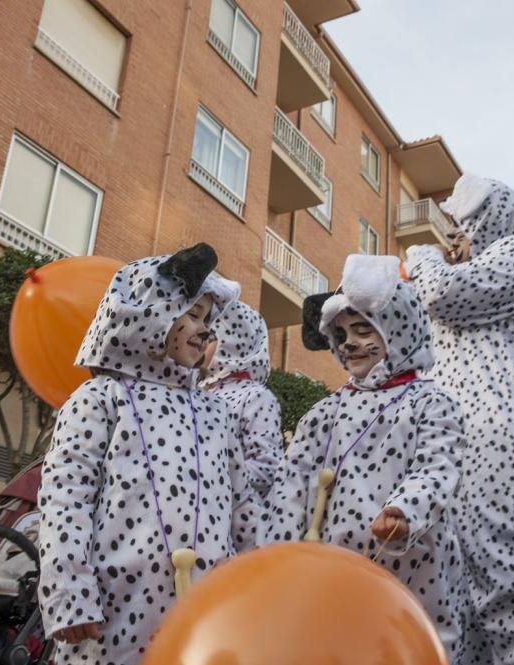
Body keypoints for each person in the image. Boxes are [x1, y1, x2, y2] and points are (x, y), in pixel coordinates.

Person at [37, 244, 257, 664]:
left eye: (209, 319)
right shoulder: (100, 397)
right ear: (148, 311)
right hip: (114, 611)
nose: (205, 329)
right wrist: (69, 593)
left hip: (207, 614)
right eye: (192, 313)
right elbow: (65, 497)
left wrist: (258, 585)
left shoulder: (217, 412)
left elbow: (243, 505)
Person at [404, 174, 514, 663]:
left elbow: (442, 294)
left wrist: (422, 257)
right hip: (470, 447)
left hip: (508, 443)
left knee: (513, 588)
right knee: (463, 597)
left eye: (461, 230)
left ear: (488, 221)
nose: (455, 243)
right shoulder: (490, 268)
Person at [261, 254, 466, 661]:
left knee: (411, 649)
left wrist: (404, 509)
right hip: (336, 573)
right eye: (341, 334)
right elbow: (291, 487)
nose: (350, 342)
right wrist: (275, 560)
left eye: (363, 329)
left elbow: (438, 465)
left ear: (397, 329)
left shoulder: (432, 402)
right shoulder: (325, 412)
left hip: (414, 570)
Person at [199, 300, 283, 497]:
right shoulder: (198, 392)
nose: (200, 342)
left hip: (230, 518)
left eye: (209, 336)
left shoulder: (256, 397)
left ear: (231, 342)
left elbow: (267, 467)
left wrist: (206, 477)